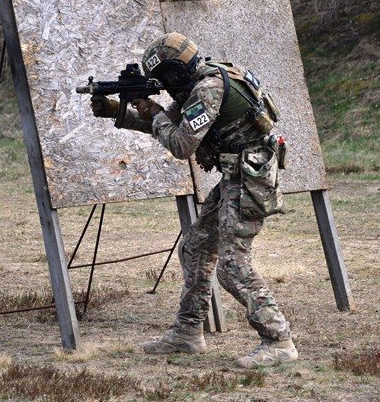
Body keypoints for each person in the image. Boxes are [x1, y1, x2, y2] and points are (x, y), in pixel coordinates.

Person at [91, 32, 298, 368]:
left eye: (165, 80)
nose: (166, 87)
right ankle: (188, 332)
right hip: (238, 175)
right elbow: (173, 124)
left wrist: (154, 112)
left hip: (250, 178)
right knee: (197, 248)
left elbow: (181, 144)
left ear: (175, 73)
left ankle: (278, 340)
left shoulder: (208, 89)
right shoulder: (204, 80)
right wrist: (119, 112)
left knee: (233, 266)